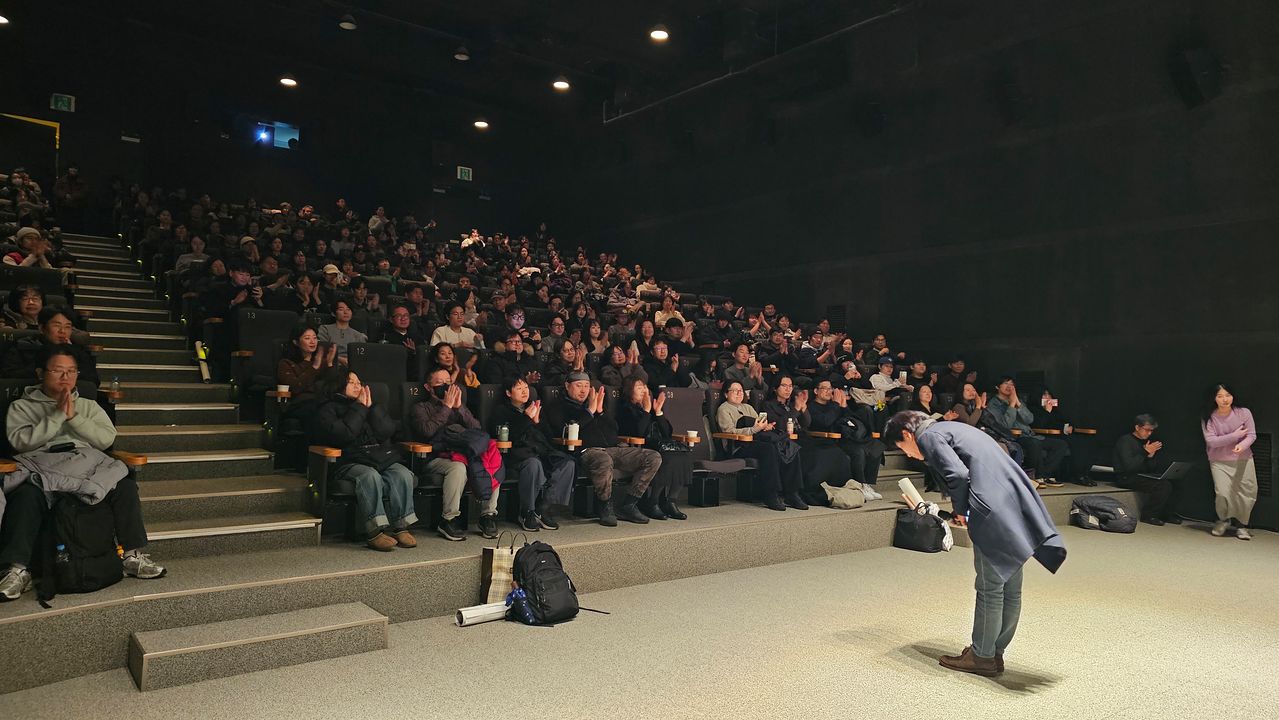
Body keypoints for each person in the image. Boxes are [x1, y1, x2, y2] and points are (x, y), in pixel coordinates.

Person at [884, 410, 1066, 677]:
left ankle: (981, 656)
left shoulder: (930, 437)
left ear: (906, 434)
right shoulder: (953, 428)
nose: (910, 455)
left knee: (990, 587)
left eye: (903, 449)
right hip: (1012, 500)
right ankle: (995, 652)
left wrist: (961, 510)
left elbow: (957, 475)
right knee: (1010, 585)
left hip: (991, 508)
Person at [1, 345, 166, 602]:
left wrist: (74, 416)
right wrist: (56, 416)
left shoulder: (88, 405)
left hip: (86, 465)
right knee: (25, 495)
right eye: (58, 371)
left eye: (71, 371)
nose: (65, 378)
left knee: (124, 486)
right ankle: (17, 569)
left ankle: (131, 555)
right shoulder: (22, 406)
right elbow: (21, 442)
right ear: (40, 373)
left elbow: (105, 438)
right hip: (43, 466)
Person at [310, 368, 418, 551]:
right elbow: (344, 435)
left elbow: (387, 432)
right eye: (351, 382)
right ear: (338, 385)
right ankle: (374, 532)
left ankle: (401, 527)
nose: (357, 386)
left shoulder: (369, 405)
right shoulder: (327, 408)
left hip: (376, 457)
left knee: (402, 473)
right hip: (347, 460)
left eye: (359, 383)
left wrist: (373, 409)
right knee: (370, 476)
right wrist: (359, 408)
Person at [544, 372, 662, 526]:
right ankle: (605, 505)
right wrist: (589, 412)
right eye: (578, 385)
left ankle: (629, 504)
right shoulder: (558, 407)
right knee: (603, 458)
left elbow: (613, 432)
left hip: (612, 449)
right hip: (585, 452)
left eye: (586, 386)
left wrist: (600, 412)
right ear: (567, 386)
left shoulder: (593, 405)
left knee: (653, 457)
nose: (583, 390)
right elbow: (565, 430)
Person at [409, 368, 501, 541]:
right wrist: (446, 407)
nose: (445, 387)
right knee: (458, 467)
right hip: (435, 457)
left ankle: (488, 515)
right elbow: (427, 432)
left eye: (448, 383)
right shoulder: (421, 408)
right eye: (439, 383)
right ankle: (448, 519)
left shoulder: (458, 406)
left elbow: (477, 430)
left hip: (463, 453)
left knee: (490, 459)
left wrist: (459, 408)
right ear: (429, 387)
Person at [491, 377, 574, 531]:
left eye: (526, 387)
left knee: (567, 463)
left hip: (541, 452)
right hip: (516, 455)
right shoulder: (501, 411)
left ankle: (543, 508)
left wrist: (538, 423)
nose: (524, 391)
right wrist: (526, 419)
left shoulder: (535, 408)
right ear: (509, 393)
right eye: (519, 388)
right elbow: (509, 438)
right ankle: (527, 511)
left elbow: (549, 437)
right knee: (533, 464)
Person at [715, 379, 804, 511]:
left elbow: (760, 425)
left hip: (756, 441)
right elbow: (728, 431)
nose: (739, 393)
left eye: (741, 391)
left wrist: (766, 427)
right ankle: (771, 494)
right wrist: (753, 429)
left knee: (789, 446)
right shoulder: (724, 409)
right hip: (739, 446)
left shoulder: (748, 407)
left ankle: (792, 492)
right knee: (769, 449)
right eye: (734, 391)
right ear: (726, 394)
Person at [616, 377, 690, 520]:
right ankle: (653, 501)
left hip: (658, 444)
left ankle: (671, 501)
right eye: (638, 387)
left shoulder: (650, 408)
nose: (644, 390)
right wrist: (646, 411)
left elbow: (667, 433)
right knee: (665, 457)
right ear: (629, 391)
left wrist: (658, 412)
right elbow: (638, 433)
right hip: (638, 448)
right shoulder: (625, 409)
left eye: (644, 387)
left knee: (683, 454)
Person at [807, 380, 885, 499]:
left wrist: (844, 406)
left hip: (846, 437)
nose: (829, 391)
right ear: (816, 391)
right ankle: (860, 485)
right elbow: (826, 422)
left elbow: (850, 419)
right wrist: (836, 404)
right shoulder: (812, 406)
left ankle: (867, 484)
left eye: (830, 388)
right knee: (857, 451)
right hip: (828, 441)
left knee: (876, 446)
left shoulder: (833, 404)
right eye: (825, 388)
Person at [987, 377, 1070, 484]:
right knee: (1034, 443)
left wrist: (1017, 403)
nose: (1009, 387)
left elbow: (1030, 419)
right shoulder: (994, 404)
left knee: (1061, 444)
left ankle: (1045, 475)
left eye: (1012, 384)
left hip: (1030, 435)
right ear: (997, 386)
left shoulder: (1019, 400)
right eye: (1006, 383)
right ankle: (1039, 476)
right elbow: (1005, 425)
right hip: (1013, 437)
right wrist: (1012, 405)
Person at [1201, 384, 1257, 540]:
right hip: (1219, 461)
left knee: (1247, 493)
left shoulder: (1244, 413)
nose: (1225, 399)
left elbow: (1251, 435)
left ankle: (1242, 526)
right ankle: (1223, 520)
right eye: (1220, 396)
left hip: (1243, 459)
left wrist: (1241, 445)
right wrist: (1234, 436)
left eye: (1228, 395)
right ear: (1214, 398)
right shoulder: (1209, 417)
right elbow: (1211, 442)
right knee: (1223, 493)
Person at [1112, 414, 1182, 526]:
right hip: (1126, 477)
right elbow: (1128, 467)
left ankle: (1166, 514)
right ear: (1137, 427)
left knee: (1173, 481)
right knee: (1163, 485)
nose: (1149, 433)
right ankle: (1149, 515)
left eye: (1151, 431)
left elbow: (1151, 468)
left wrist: (1150, 457)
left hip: (1141, 475)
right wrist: (1145, 453)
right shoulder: (1125, 441)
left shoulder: (1146, 442)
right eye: (1147, 430)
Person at [1, 307, 99, 383]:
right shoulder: (23, 346)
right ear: (42, 328)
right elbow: (8, 376)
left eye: (67, 327)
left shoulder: (77, 351)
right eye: (57, 326)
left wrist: (71, 353)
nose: (62, 331)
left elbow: (93, 380)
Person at [317, 299, 367, 364]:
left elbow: (362, 357)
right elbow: (322, 351)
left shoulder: (358, 335)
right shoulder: (325, 329)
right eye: (341, 309)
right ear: (333, 313)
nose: (346, 312)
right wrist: (339, 359)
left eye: (348, 309)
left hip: (352, 366)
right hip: (330, 364)